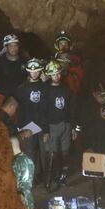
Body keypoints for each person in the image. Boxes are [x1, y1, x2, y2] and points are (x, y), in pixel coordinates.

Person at [42, 60, 76, 191]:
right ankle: (48, 181)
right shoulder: (46, 90)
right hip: (52, 126)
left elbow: (70, 109)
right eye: (54, 74)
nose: (57, 76)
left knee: (65, 152)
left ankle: (61, 177)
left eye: (58, 74)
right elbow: (43, 111)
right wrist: (45, 130)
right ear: (50, 75)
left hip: (65, 124)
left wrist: (73, 127)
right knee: (52, 154)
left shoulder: (65, 89)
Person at [15, 59, 48, 174]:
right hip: (28, 126)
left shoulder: (45, 87)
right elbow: (19, 108)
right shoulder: (22, 88)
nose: (34, 74)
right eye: (32, 71)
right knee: (29, 153)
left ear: (40, 72)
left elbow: (47, 107)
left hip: (42, 124)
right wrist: (20, 127)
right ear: (28, 72)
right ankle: (30, 179)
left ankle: (45, 177)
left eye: (37, 71)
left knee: (44, 153)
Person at [80, 83, 105, 174]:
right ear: (94, 94)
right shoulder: (89, 108)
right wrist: (88, 145)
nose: (104, 97)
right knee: (99, 172)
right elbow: (86, 128)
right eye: (100, 95)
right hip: (98, 143)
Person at [0, 34, 26, 109]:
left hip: (18, 98)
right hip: (2, 97)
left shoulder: (24, 61)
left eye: (15, 45)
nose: (14, 48)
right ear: (6, 48)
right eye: (11, 46)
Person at [52, 31, 84, 95]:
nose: (63, 46)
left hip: (72, 93)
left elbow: (80, 76)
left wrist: (69, 70)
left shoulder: (76, 60)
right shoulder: (53, 61)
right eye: (61, 44)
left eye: (66, 44)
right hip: (57, 93)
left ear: (69, 46)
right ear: (57, 46)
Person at [12, 136, 36, 209]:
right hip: (28, 196)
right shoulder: (28, 159)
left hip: (20, 198)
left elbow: (14, 183)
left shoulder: (15, 163)